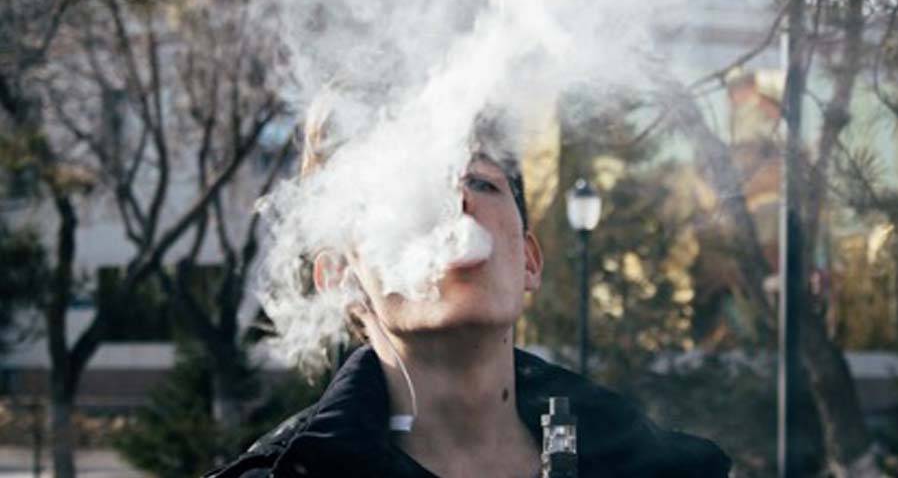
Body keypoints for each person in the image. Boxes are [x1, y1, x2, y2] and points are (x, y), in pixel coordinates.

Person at [207, 126, 731, 477]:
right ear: (340, 276)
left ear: (528, 261)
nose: (456, 200)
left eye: (480, 181)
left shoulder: (652, 466)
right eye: (408, 187)